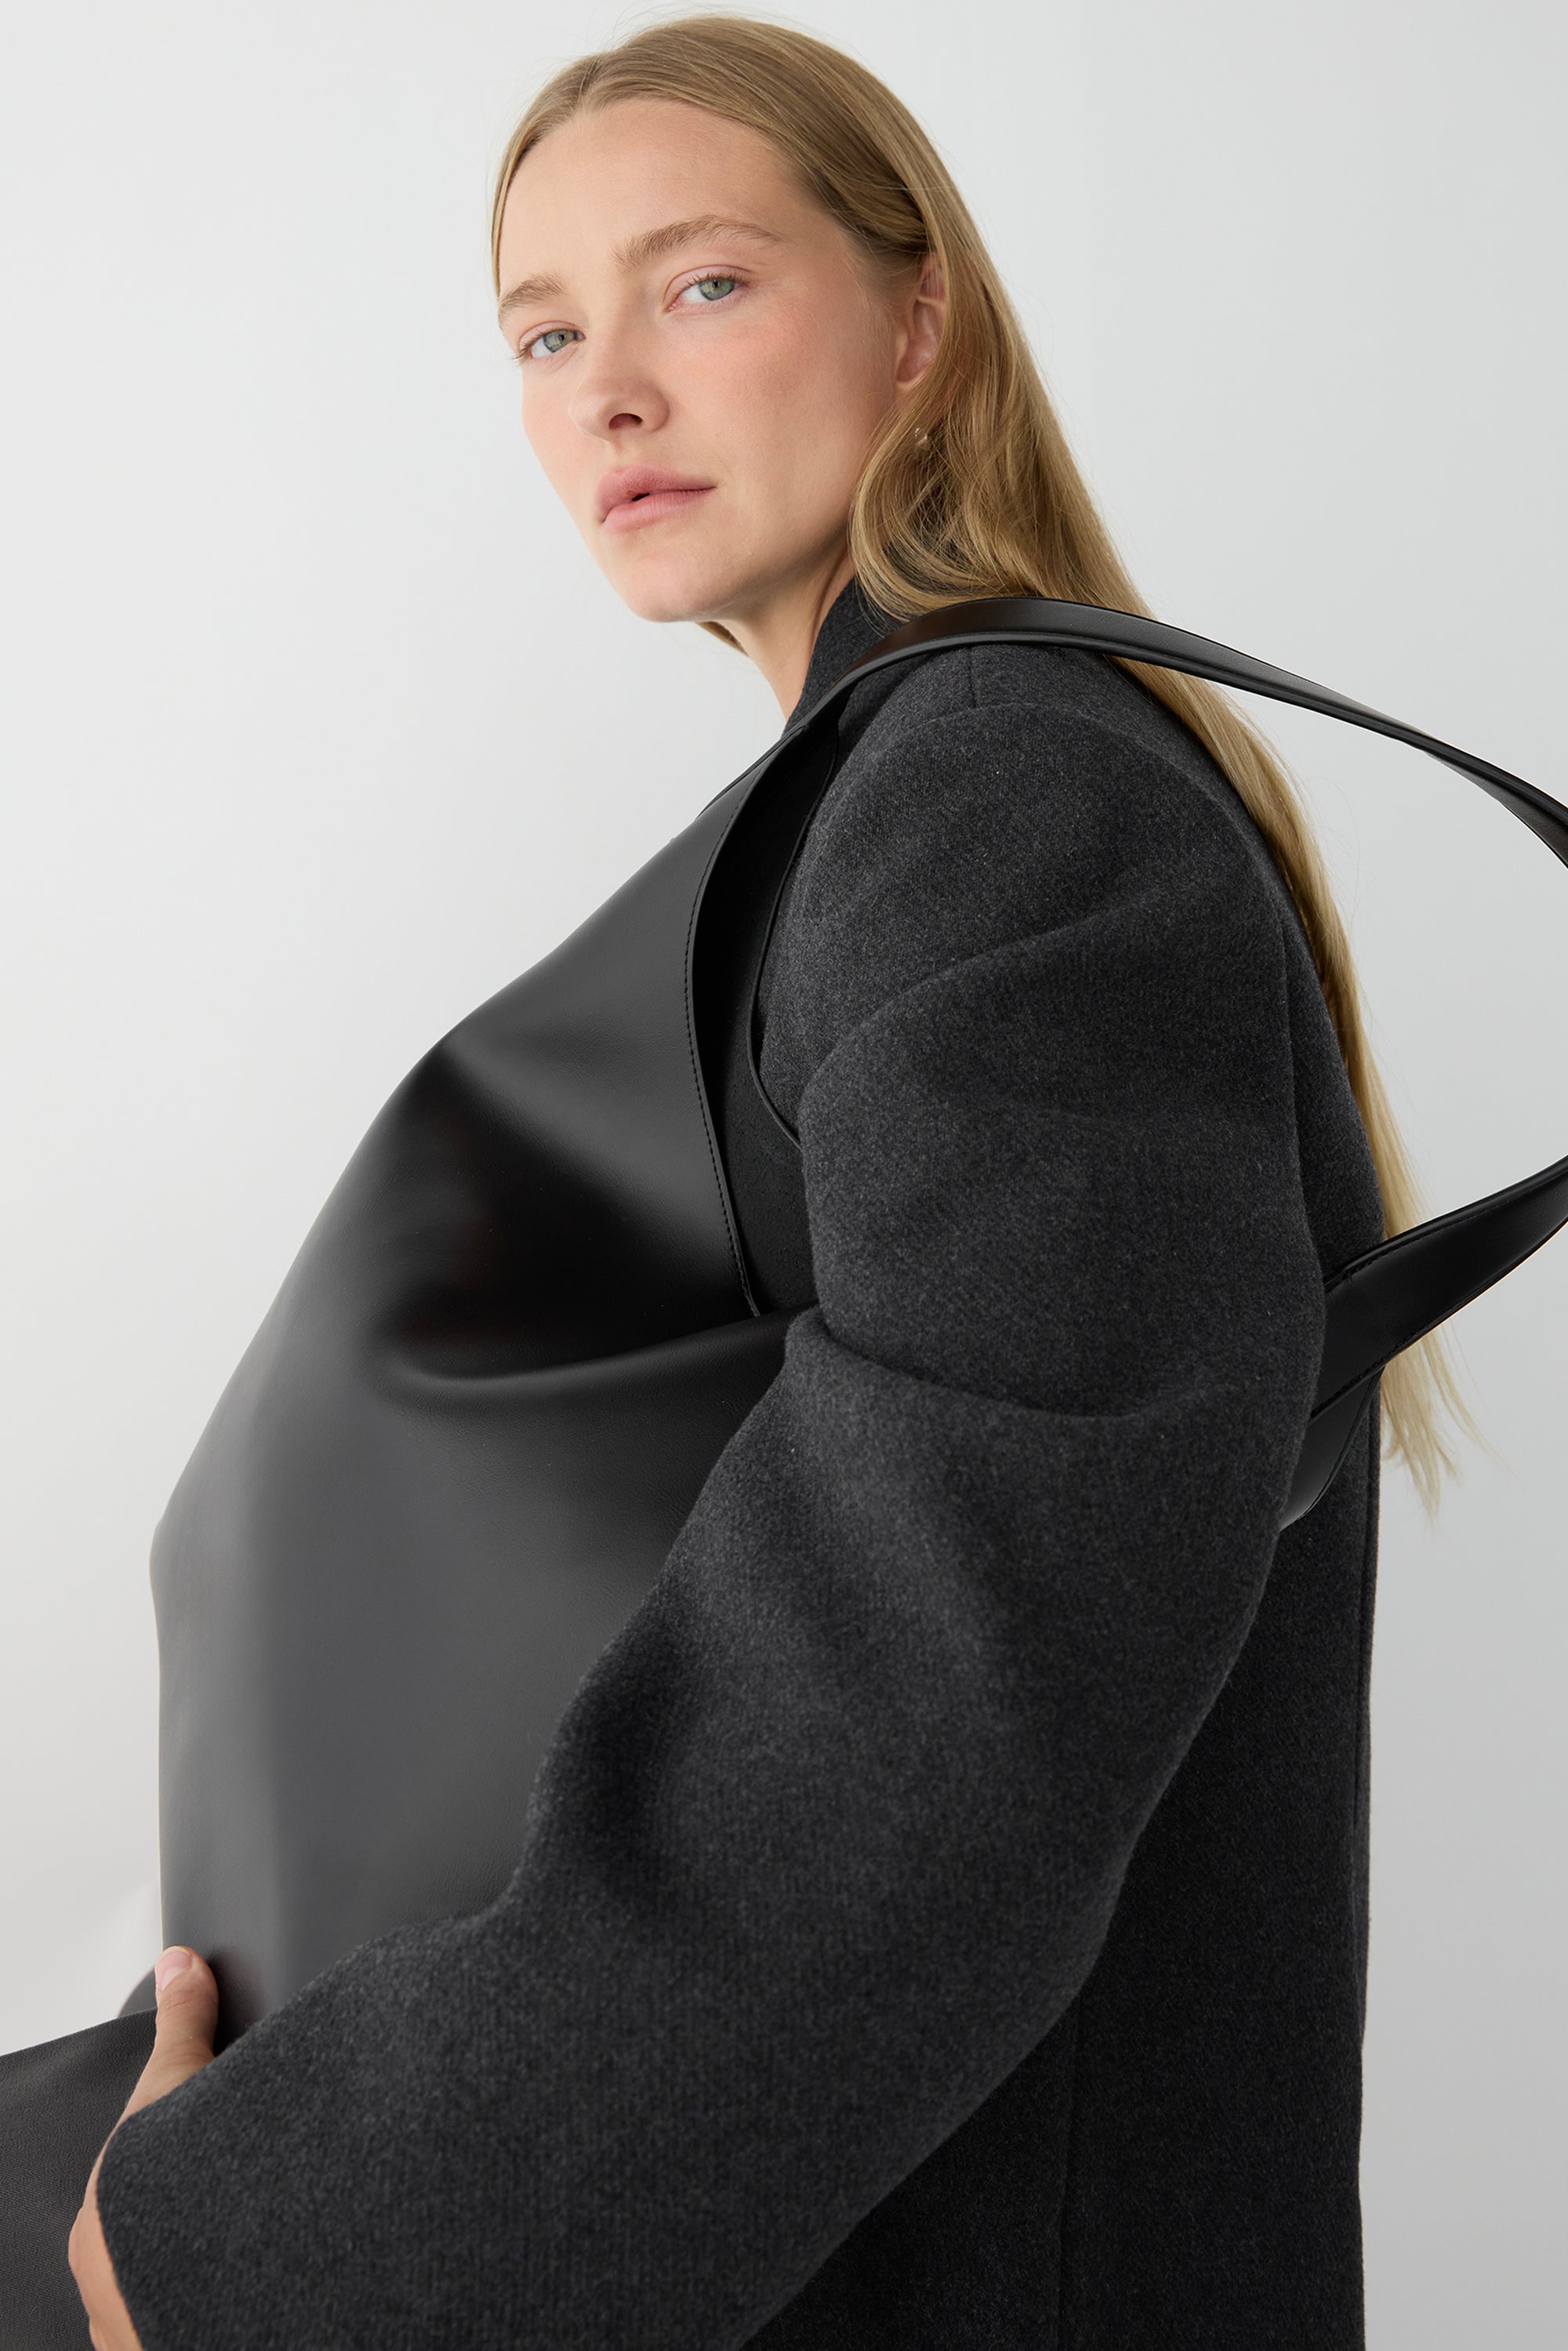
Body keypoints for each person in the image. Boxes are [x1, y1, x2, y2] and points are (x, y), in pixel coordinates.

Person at [58, 15, 1462, 2348]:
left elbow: (935, 1729)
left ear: (921, 321)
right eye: (542, 334)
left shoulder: (1000, 800)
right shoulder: (878, 819)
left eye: (699, 285)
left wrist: (264, 2253)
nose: (607, 390)